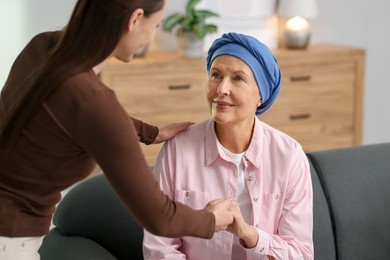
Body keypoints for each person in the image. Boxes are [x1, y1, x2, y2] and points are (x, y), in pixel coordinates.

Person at [0, 1, 234, 259]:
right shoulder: (93, 102)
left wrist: (151, 132)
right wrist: (212, 220)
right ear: (135, 19)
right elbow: (160, 217)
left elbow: (76, 112)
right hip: (10, 239)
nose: (152, 35)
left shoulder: (44, 47)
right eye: (155, 25)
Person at [143, 32, 314, 260]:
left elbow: (301, 254)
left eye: (238, 78)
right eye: (216, 75)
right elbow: (160, 249)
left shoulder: (289, 157)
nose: (222, 89)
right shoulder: (177, 150)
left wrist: (249, 235)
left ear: (261, 96)